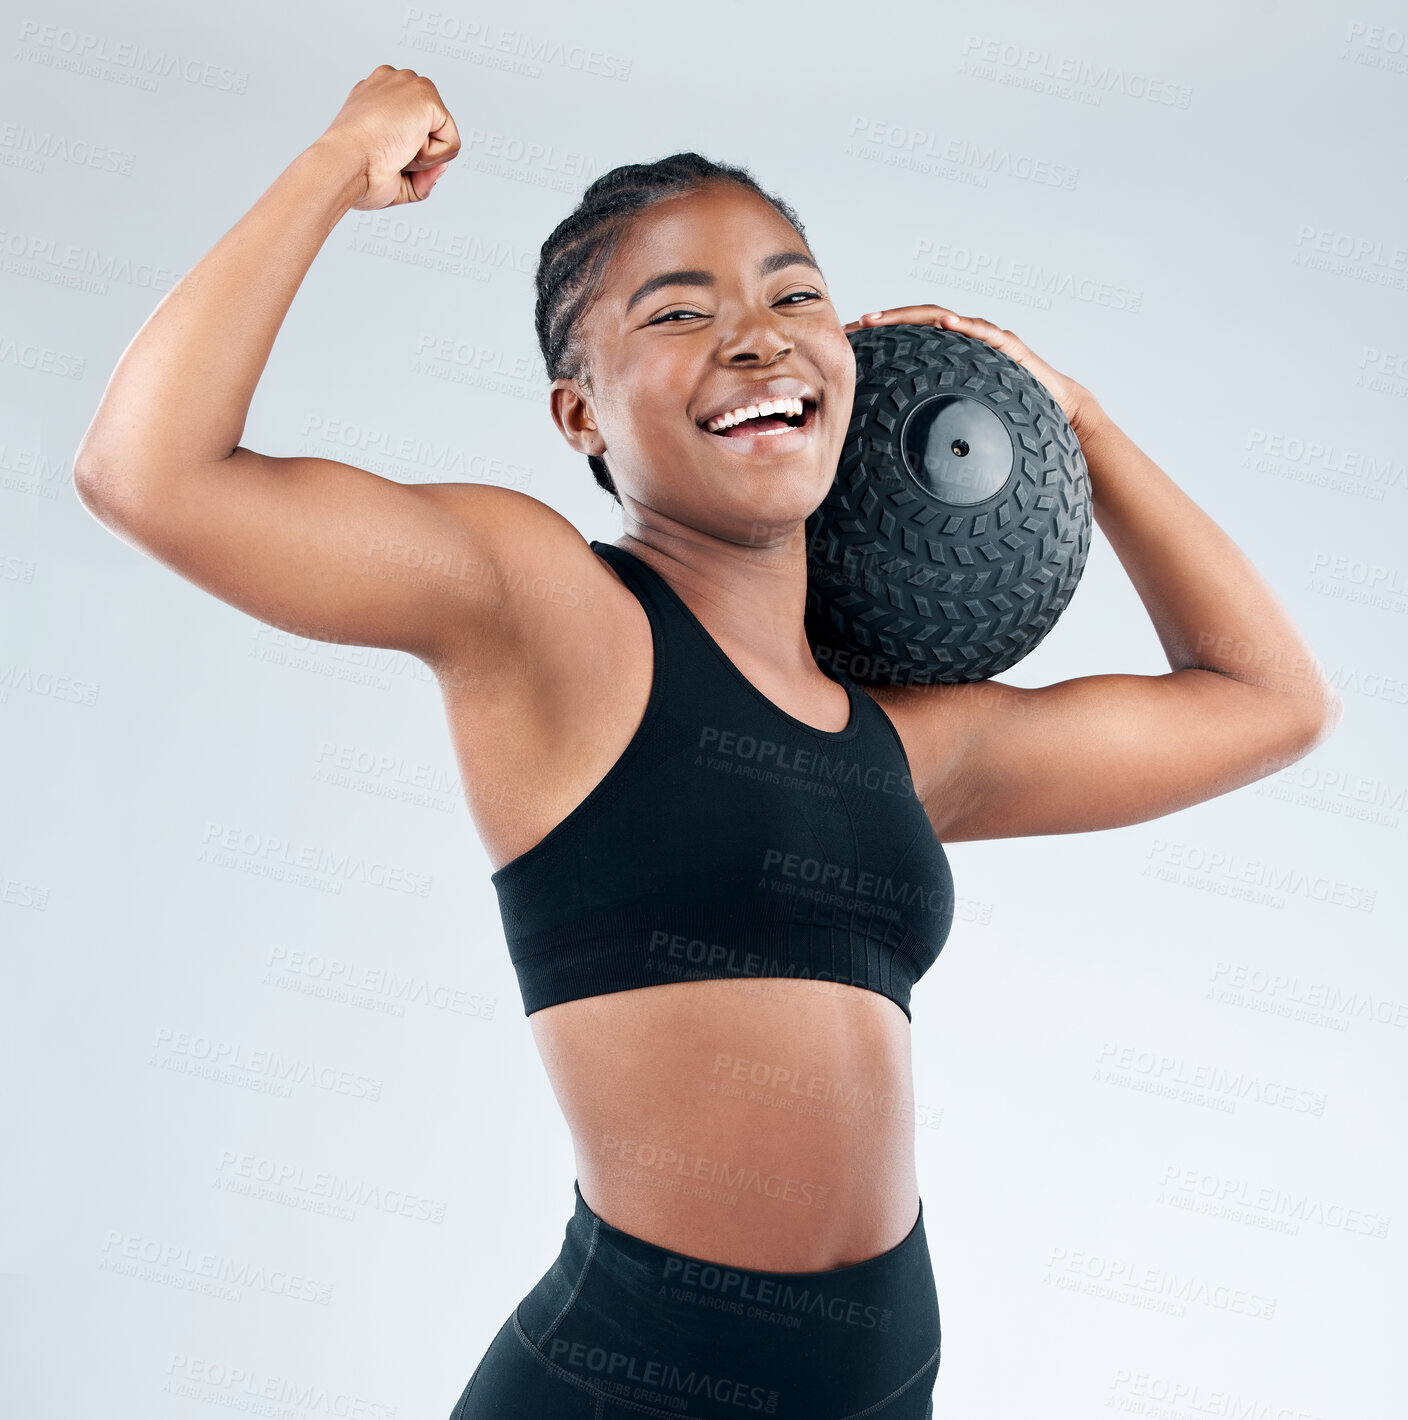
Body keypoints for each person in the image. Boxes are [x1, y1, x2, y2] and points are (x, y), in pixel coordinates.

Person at [73, 66, 1342, 1420]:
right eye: (682, 312)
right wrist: (335, 161)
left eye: (796, 296)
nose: (760, 337)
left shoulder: (898, 752)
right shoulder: (553, 615)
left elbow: (1268, 700)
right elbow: (148, 474)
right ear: (581, 416)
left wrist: (1066, 411)